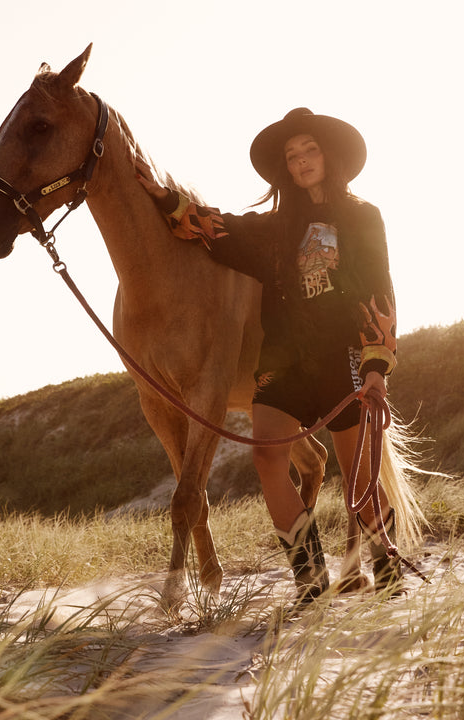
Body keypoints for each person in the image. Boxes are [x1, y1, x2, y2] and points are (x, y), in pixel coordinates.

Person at [137, 108, 404, 603]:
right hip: (283, 361)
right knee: (266, 456)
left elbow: (379, 291)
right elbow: (217, 229)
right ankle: (311, 581)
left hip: (342, 356)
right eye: (292, 155)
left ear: (330, 155)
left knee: (360, 483)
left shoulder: (362, 217)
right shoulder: (275, 228)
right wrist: (166, 201)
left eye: (310, 150)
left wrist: (375, 366)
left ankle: (388, 576)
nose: (302, 162)